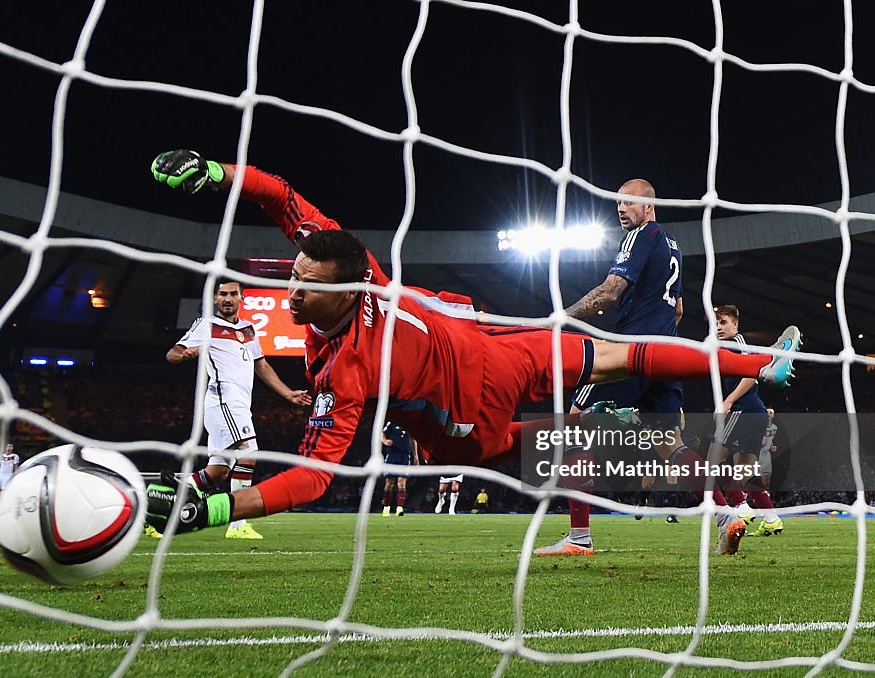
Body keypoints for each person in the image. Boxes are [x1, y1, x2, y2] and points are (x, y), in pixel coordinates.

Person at [144, 150, 800, 559]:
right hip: (482, 342)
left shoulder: (346, 372)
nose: (291, 293)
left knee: (609, 368)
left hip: (475, 399)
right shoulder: (349, 263)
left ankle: (737, 392)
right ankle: (742, 405)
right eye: (294, 276)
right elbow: (280, 196)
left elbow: (315, 477)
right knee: (617, 374)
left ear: (345, 291)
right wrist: (214, 173)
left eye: (306, 289)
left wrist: (217, 511)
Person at [534, 179, 711, 557]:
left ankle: (579, 537)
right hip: (665, 352)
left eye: (628, 203)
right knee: (670, 445)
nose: (620, 209)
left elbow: (610, 291)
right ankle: (729, 517)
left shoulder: (639, 236)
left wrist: (559, 318)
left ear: (649, 206)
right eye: (617, 203)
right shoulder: (672, 244)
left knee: (572, 424)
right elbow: (678, 310)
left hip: (628, 352)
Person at [150, 279, 312, 540]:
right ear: (215, 299)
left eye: (232, 294)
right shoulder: (207, 325)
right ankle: (238, 524)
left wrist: (287, 393)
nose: (227, 298)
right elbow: (173, 352)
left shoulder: (248, 329)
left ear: (241, 298)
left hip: (238, 404)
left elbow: (262, 366)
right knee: (249, 452)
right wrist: (183, 355)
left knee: (218, 472)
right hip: (223, 400)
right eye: (222, 294)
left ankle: (157, 504)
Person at [714, 305, 783, 536]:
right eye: (716, 323)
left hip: (743, 410)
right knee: (746, 470)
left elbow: (751, 377)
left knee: (711, 461)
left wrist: (728, 402)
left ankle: (740, 507)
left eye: (723, 322)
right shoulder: (724, 346)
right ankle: (772, 518)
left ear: (735, 324)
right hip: (755, 413)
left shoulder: (739, 345)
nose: (718, 327)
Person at [380, 422, 418, 516]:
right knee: (389, 483)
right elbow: (382, 434)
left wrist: (416, 456)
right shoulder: (392, 423)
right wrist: (385, 441)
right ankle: (386, 507)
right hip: (392, 455)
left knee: (402, 482)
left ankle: (400, 508)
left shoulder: (411, 424)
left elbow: (413, 440)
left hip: (405, 455)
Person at [0, 442, 19, 508]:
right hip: (0, 475)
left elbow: (15, 466)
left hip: (8, 475)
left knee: (5, 490)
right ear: (5, 447)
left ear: (12, 448)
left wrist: (16, 475)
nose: (9, 448)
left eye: (10, 446)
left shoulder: (15, 456)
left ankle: (6, 504)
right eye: (8, 446)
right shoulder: (0, 456)